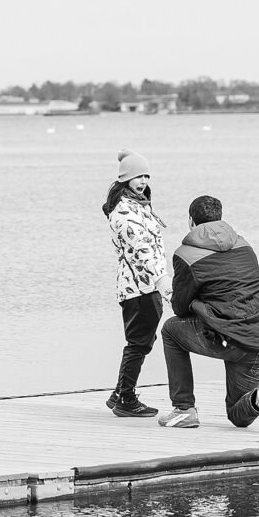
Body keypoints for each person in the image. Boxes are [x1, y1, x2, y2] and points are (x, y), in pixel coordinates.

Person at [159, 194, 259, 432]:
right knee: (238, 416)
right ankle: (258, 399)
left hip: (227, 336)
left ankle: (184, 409)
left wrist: (173, 292)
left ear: (191, 221)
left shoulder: (186, 255)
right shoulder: (244, 245)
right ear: (220, 218)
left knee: (171, 330)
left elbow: (180, 308)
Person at [102, 148, 172, 418]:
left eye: (146, 176)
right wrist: (162, 280)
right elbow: (142, 249)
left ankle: (119, 393)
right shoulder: (124, 214)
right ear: (124, 180)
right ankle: (126, 399)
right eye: (137, 177)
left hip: (145, 285)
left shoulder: (139, 205)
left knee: (142, 340)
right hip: (138, 287)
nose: (143, 181)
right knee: (138, 343)